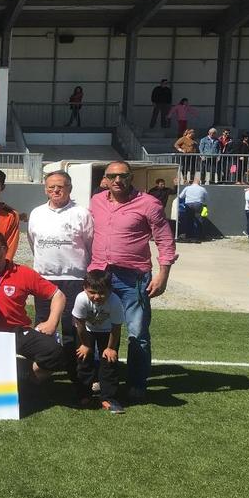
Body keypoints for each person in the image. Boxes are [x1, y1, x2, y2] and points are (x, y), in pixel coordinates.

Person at [88, 161, 176, 403]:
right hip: (100, 275)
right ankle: (102, 377)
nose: (117, 180)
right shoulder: (96, 202)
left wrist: (163, 275)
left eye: (122, 176)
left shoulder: (149, 204)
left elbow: (165, 240)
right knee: (97, 329)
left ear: (130, 178)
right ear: (105, 179)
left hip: (133, 277)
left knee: (137, 332)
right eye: (112, 176)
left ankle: (137, 382)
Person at [0, 231, 67, 380]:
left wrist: (52, 322)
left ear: (5, 249)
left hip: (14, 332)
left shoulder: (23, 273)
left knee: (54, 352)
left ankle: (29, 377)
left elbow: (58, 295)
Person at [27, 170, 94, 349]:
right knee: (43, 323)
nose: (56, 190)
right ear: (45, 189)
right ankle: (43, 369)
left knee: (72, 324)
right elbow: (34, 243)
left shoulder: (81, 213)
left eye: (60, 187)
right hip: (44, 278)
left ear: (69, 188)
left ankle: (75, 369)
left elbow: (89, 244)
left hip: (74, 278)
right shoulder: (37, 213)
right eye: (51, 187)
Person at [72, 270, 125, 414]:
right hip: (86, 331)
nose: (97, 297)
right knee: (84, 360)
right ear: (84, 289)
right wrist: (85, 344)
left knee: (109, 362)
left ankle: (109, 398)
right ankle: (84, 395)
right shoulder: (81, 299)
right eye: (92, 292)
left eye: (102, 293)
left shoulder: (115, 302)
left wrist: (111, 348)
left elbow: (116, 327)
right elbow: (80, 324)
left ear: (110, 290)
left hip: (108, 332)